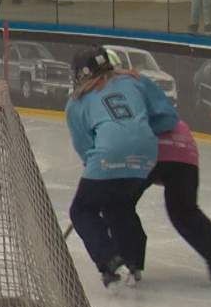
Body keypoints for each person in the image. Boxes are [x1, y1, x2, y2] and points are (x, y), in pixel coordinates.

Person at [65, 46, 179, 288]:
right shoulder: (135, 81)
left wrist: (100, 163)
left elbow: (85, 148)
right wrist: (137, 130)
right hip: (146, 155)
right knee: (119, 206)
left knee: (81, 211)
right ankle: (134, 261)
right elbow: (168, 117)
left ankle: (109, 258)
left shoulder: (76, 103)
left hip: (108, 155)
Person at [140, 118, 211, 283]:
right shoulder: (155, 99)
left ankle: (126, 259)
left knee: (120, 202)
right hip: (184, 148)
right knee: (183, 211)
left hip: (148, 148)